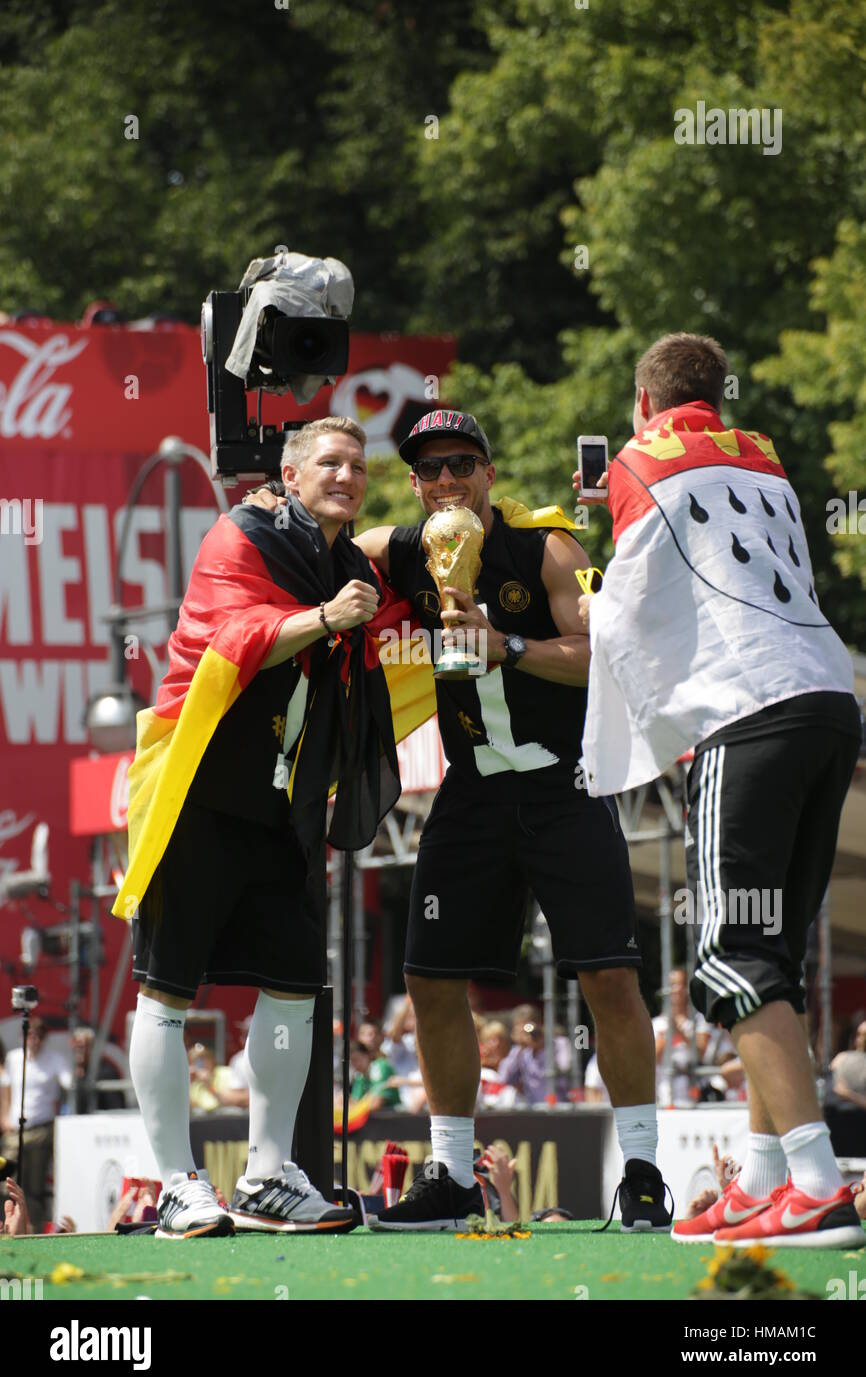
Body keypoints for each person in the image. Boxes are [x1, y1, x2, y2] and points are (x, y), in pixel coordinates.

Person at [575, 332, 865, 1249]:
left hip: (749, 713)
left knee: (729, 957)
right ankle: (766, 1179)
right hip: (828, 696)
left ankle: (819, 1184)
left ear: (641, 400)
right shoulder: (765, 458)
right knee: (773, 951)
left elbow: (624, 607)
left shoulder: (636, 461)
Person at [351, 409, 670, 1232]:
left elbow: (601, 653)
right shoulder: (405, 549)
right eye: (429, 471)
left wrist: (511, 649)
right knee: (427, 977)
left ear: (490, 474)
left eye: (462, 465)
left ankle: (641, 1172)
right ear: (415, 485)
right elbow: (324, 543)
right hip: (472, 789)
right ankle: (453, 1174)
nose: (447, 482)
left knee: (607, 975)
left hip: (564, 784)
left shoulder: (546, 547)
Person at [111, 416, 413, 1238]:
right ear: (288, 472)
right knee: (168, 989)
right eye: (329, 462)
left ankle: (269, 1174)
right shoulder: (239, 533)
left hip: (283, 807)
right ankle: (175, 1183)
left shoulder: (345, 564)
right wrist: (327, 618)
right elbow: (230, 639)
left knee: (293, 984)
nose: (347, 475)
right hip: (197, 790)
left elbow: (379, 592)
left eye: (357, 464)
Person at [0, 1018, 71, 1233]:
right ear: (24, 1037)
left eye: (39, 1036)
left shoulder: (54, 1059)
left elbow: (70, 1084)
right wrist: (3, 1116)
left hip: (41, 1130)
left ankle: (34, 1230)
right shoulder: (14, 1058)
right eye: (31, 1036)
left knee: (33, 1187)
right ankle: (6, 1225)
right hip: (15, 1131)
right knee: (6, 1181)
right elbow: (6, 1088)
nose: (35, 1040)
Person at [652, 967, 712, 1106]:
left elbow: (701, 1054)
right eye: (673, 985)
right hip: (666, 1093)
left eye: (682, 984)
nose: (678, 989)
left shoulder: (699, 1021)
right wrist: (667, 1036)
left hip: (695, 1092)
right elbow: (653, 1059)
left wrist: (681, 1033)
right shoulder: (657, 1023)